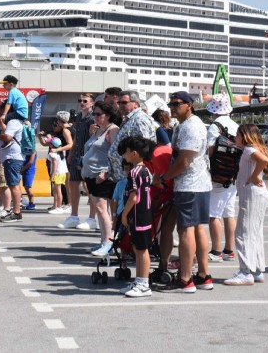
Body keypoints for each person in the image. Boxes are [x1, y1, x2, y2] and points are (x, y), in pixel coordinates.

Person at [156, 91, 212, 293]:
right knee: (198, 229)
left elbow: (184, 161)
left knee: (185, 230)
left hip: (190, 185)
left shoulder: (191, 127)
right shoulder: (186, 125)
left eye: (177, 103)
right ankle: (203, 276)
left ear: (189, 105)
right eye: (170, 104)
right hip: (198, 184)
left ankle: (185, 279)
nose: (172, 107)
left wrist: (164, 178)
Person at [223, 124, 268, 286]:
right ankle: (257, 270)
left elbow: (265, 161)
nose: (234, 137)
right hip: (258, 195)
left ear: (245, 135)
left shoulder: (249, 150)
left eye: (237, 134)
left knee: (243, 233)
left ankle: (245, 272)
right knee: (255, 232)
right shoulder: (255, 148)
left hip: (252, 195)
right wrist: (256, 174)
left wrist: (253, 176)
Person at [80, 102, 120, 255]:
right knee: (98, 208)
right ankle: (103, 241)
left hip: (103, 176)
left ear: (108, 115)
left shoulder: (113, 130)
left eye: (98, 114)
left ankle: (108, 243)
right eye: (94, 114)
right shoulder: (98, 131)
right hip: (91, 175)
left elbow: (115, 155)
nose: (95, 117)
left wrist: (106, 172)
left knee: (102, 208)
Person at [118, 136, 156, 298]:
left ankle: (143, 284)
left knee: (141, 250)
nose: (124, 155)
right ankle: (139, 280)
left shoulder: (134, 172)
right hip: (144, 213)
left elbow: (134, 197)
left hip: (138, 214)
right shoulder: (146, 169)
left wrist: (124, 215)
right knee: (138, 248)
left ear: (134, 153)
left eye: (126, 152)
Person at [205, 93, 240, 262]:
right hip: (232, 174)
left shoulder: (215, 126)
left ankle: (216, 251)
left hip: (217, 175)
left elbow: (210, 150)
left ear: (214, 110)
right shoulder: (235, 125)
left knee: (214, 214)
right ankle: (229, 250)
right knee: (229, 213)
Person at [108, 90, 155, 185]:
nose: (120, 105)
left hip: (133, 178)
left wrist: (133, 171)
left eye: (124, 102)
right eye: (119, 102)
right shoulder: (130, 119)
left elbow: (143, 148)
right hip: (123, 176)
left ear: (136, 104)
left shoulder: (139, 119)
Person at [63, 93, 95, 227]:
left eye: (85, 101)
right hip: (77, 154)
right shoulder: (78, 117)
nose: (82, 103)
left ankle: (92, 218)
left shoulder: (93, 117)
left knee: (91, 187)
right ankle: (74, 216)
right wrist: (71, 153)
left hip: (89, 155)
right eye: (80, 100)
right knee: (73, 183)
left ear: (91, 103)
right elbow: (76, 137)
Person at [0, 114, 25, 223]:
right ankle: (15, 211)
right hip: (11, 158)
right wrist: (3, 126)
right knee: (13, 185)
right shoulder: (14, 123)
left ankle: (16, 213)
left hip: (12, 157)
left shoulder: (13, 122)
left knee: (14, 185)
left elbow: (8, 137)